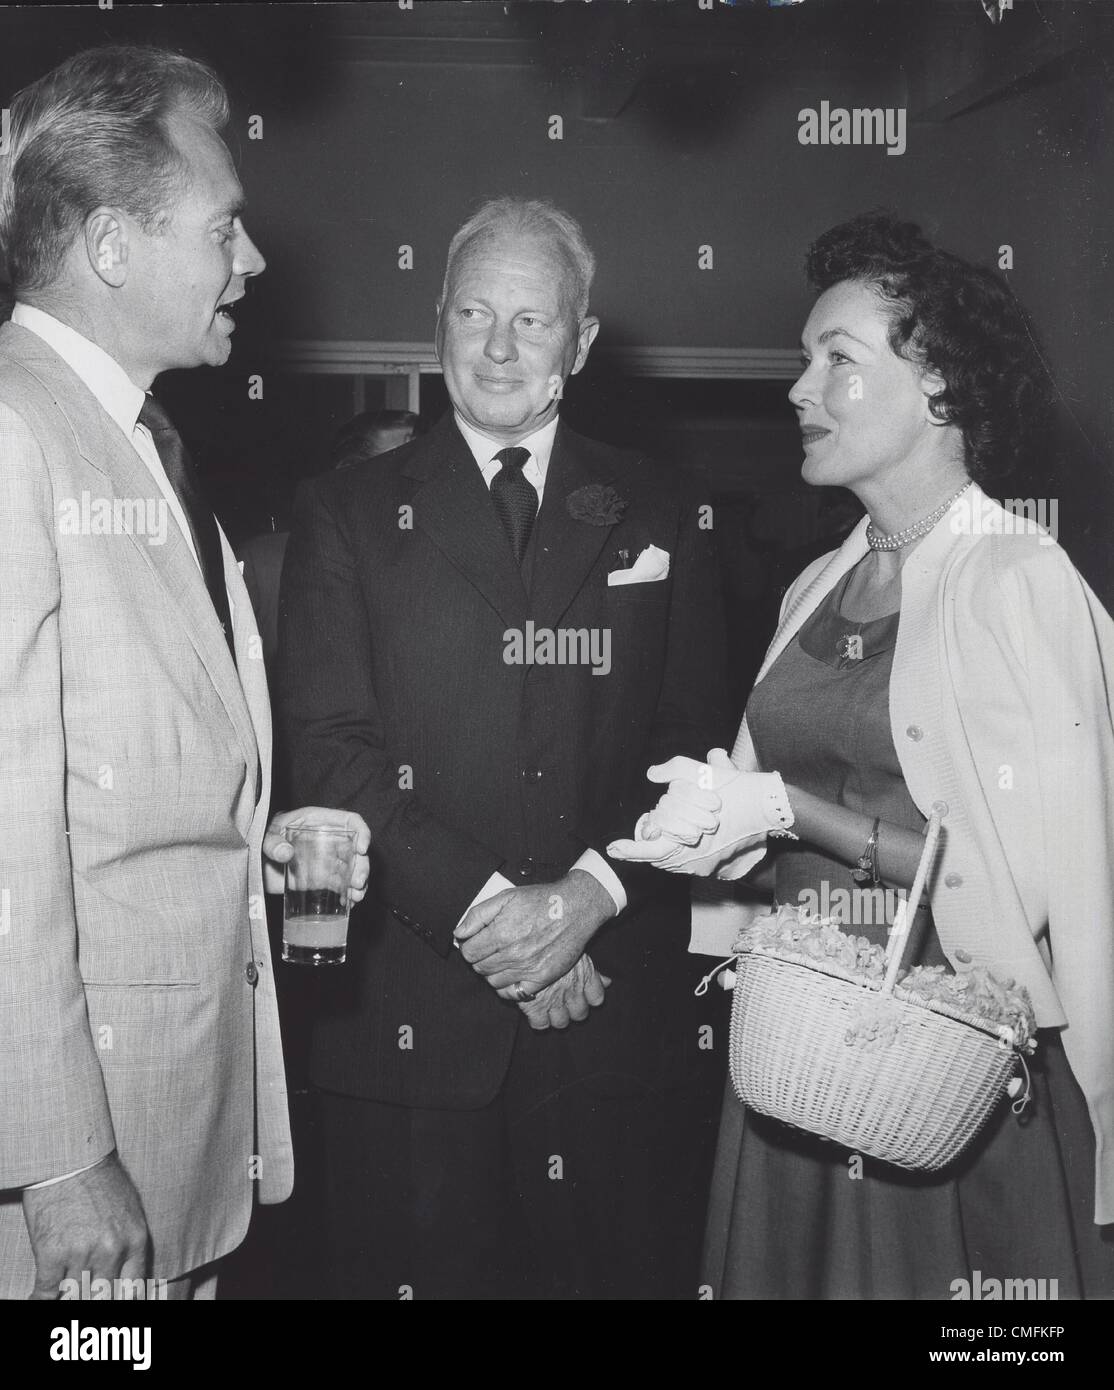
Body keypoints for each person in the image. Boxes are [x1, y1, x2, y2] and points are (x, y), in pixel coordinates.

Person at [611, 212, 1114, 1299]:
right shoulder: (813, 586)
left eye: (836, 360)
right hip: (801, 1063)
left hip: (944, 1081)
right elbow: (764, 816)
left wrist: (790, 811)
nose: (797, 389)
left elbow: (1048, 881)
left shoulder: (1015, 579)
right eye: (804, 359)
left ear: (942, 390)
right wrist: (711, 827)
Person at [279, 196, 730, 1300]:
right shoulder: (344, 508)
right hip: (409, 1028)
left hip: (610, 1024)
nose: (494, 347)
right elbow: (332, 755)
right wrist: (502, 920)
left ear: (577, 345)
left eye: (531, 322)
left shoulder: (665, 505)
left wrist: (586, 898)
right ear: (436, 320)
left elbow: (699, 742)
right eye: (473, 312)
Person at [0, 44, 368, 1301]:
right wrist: (54, 1160)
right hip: (84, 1175)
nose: (252, 262)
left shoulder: (134, 437)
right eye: (226, 227)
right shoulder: (14, 431)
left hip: (176, 1134)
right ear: (110, 244)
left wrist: (237, 833)